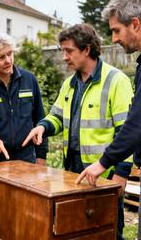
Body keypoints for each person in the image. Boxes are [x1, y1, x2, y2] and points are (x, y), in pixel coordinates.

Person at [74, 0, 141, 239]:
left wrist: (103, 163)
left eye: (116, 30)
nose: (114, 38)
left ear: (135, 24)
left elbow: (138, 125)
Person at [23, 23, 134, 240]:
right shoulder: (69, 84)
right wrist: (42, 126)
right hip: (72, 171)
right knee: (76, 230)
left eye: (69, 51)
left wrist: (121, 173)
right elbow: (57, 117)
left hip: (104, 173)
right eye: (62, 50)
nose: (64, 57)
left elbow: (127, 131)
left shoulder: (116, 81)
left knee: (107, 231)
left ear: (87, 49)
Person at [0, 32, 48, 165]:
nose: (8, 60)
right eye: (1, 57)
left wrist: (41, 155)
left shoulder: (29, 80)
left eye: (10, 54)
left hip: (26, 158)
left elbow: (40, 119)